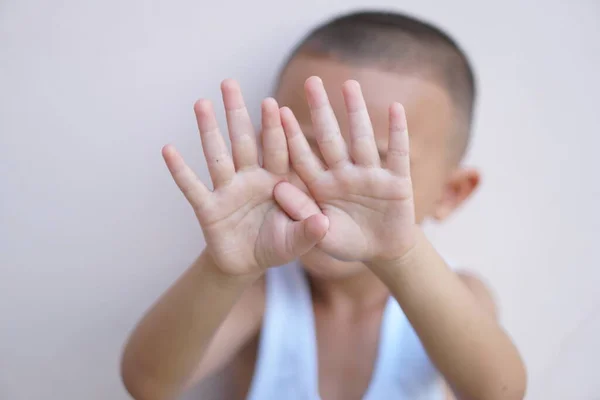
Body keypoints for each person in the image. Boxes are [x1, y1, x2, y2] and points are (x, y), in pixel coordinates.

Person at [121, 11, 527, 400]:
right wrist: (223, 269)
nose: (330, 187)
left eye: (371, 165)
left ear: (450, 193)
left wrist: (400, 254)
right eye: (305, 152)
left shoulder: (461, 296)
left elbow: (497, 394)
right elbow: (148, 385)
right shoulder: (261, 292)